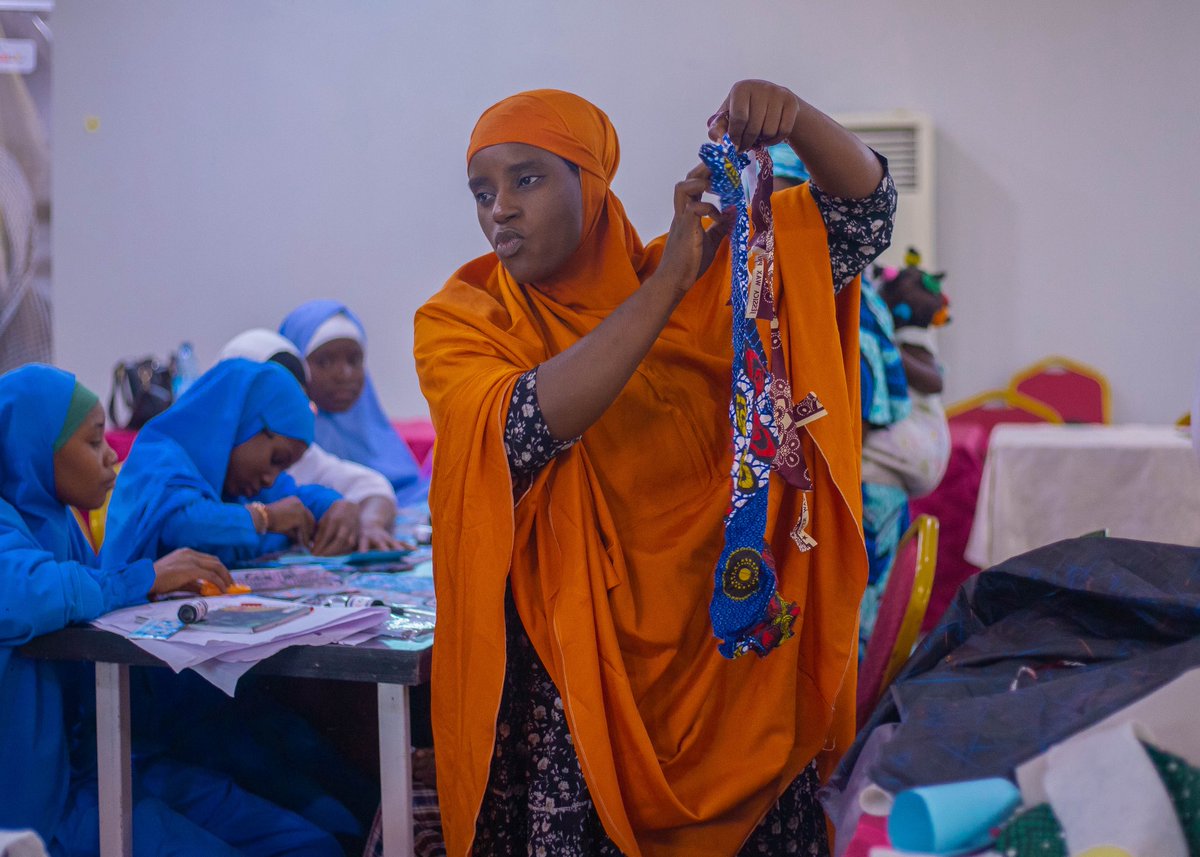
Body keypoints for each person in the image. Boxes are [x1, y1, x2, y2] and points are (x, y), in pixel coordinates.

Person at [414, 81, 895, 856]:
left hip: (736, 678)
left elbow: (863, 216)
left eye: (526, 178)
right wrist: (668, 283)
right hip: (584, 694)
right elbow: (521, 425)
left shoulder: (713, 285)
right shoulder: (467, 319)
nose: (498, 207)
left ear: (592, 184)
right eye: (481, 190)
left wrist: (795, 118)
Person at [0, 364, 342, 856]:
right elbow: (30, 592)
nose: (112, 456)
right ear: (34, 445)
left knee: (312, 840)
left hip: (101, 762)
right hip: (36, 806)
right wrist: (143, 578)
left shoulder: (56, 524)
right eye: (94, 442)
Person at [102, 358, 357, 567]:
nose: (271, 477)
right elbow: (181, 525)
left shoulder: (237, 483)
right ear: (242, 423)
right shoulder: (158, 458)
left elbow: (296, 499)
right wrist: (265, 518)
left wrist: (337, 506)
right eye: (275, 460)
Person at [219, 328, 403, 550]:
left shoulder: (297, 456)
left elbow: (369, 486)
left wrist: (354, 515)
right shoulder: (185, 468)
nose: (343, 375)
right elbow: (187, 522)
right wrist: (267, 518)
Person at [280, 300, 429, 507]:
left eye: (354, 361)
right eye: (325, 362)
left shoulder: (375, 434)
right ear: (296, 366)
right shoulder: (281, 444)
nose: (344, 375)